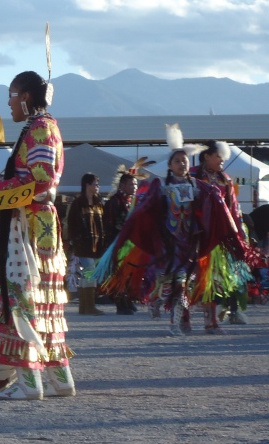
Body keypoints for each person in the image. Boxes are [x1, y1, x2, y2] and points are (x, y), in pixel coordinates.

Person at [95, 124, 249, 336]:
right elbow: (146, 207)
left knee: (185, 283)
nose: (182, 164)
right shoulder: (163, 186)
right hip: (168, 244)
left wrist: (233, 232)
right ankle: (159, 303)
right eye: (177, 161)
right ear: (170, 165)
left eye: (184, 161)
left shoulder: (203, 184)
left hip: (192, 243)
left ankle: (183, 322)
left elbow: (223, 206)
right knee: (170, 284)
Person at [0, 70, 75, 400]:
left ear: (26, 97)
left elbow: (42, 182)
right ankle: (61, 381)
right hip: (38, 227)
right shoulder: (42, 127)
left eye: (11, 94)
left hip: (27, 229)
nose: (8, 102)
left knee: (21, 300)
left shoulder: (40, 128)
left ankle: (30, 383)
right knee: (44, 303)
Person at [190, 140, 251, 325]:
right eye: (218, 156)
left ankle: (234, 310)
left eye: (223, 157)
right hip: (201, 234)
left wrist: (239, 232)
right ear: (206, 156)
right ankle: (202, 315)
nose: (222, 160)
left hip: (224, 234)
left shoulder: (225, 179)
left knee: (231, 272)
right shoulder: (192, 176)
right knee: (204, 275)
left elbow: (233, 208)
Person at [66, 173, 106, 316]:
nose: (97, 187)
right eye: (95, 184)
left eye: (97, 184)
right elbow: (72, 224)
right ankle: (89, 306)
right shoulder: (78, 204)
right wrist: (76, 239)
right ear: (87, 185)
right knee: (89, 272)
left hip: (96, 244)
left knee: (87, 274)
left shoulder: (98, 203)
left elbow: (102, 223)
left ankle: (84, 306)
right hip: (83, 244)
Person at [103, 169, 140, 314]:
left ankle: (128, 300)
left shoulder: (131, 201)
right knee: (120, 274)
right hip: (117, 244)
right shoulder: (114, 201)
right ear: (122, 186)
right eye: (132, 184)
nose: (135, 187)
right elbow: (110, 224)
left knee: (129, 273)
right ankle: (120, 303)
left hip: (129, 244)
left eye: (136, 184)